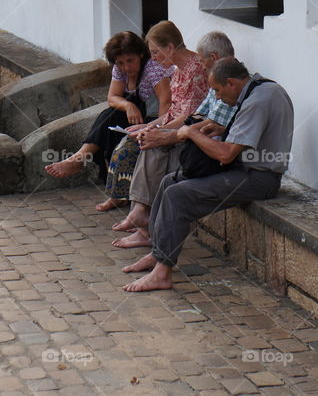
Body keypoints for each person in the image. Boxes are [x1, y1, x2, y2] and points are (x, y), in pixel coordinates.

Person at [122, 58, 294, 292]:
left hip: (259, 178)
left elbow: (226, 155)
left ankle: (162, 273)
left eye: (217, 90)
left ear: (232, 83)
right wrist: (223, 130)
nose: (217, 96)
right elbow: (252, 135)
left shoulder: (258, 100)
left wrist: (190, 133)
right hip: (244, 169)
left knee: (178, 196)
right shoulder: (261, 89)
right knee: (168, 182)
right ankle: (157, 254)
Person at [111, 31, 237, 248]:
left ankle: (144, 222)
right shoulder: (208, 78)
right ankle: (141, 217)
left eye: (155, 52)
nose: (154, 58)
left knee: (154, 145)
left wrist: (169, 133)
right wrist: (156, 128)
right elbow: (196, 116)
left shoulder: (224, 82)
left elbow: (210, 125)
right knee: (148, 141)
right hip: (195, 137)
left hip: (208, 150)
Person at [98, 21, 211, 213]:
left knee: (145, 145)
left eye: (156, 52)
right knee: (129, 136)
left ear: (169, 47)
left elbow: (188, 117)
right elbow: (172, 111)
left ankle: (139, 213)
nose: (154, 58)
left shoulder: (197, 69)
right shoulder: (178, 71)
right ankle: (134, 209)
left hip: (189, 132)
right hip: (175, 126)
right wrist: (149, 126)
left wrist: (156, 131)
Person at [44, 31, 171, 195]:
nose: (126, 67)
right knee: (110, 116)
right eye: (120, 63)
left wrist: (158, 129)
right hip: (135, 113)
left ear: (140, 54)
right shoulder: (119, 69)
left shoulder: (153, 69)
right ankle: (99, 176)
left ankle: (79, 159)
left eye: (130, 61)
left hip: (154, 116)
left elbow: (165, 102)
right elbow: (112, 97)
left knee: (109, 120)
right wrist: (128, 105)